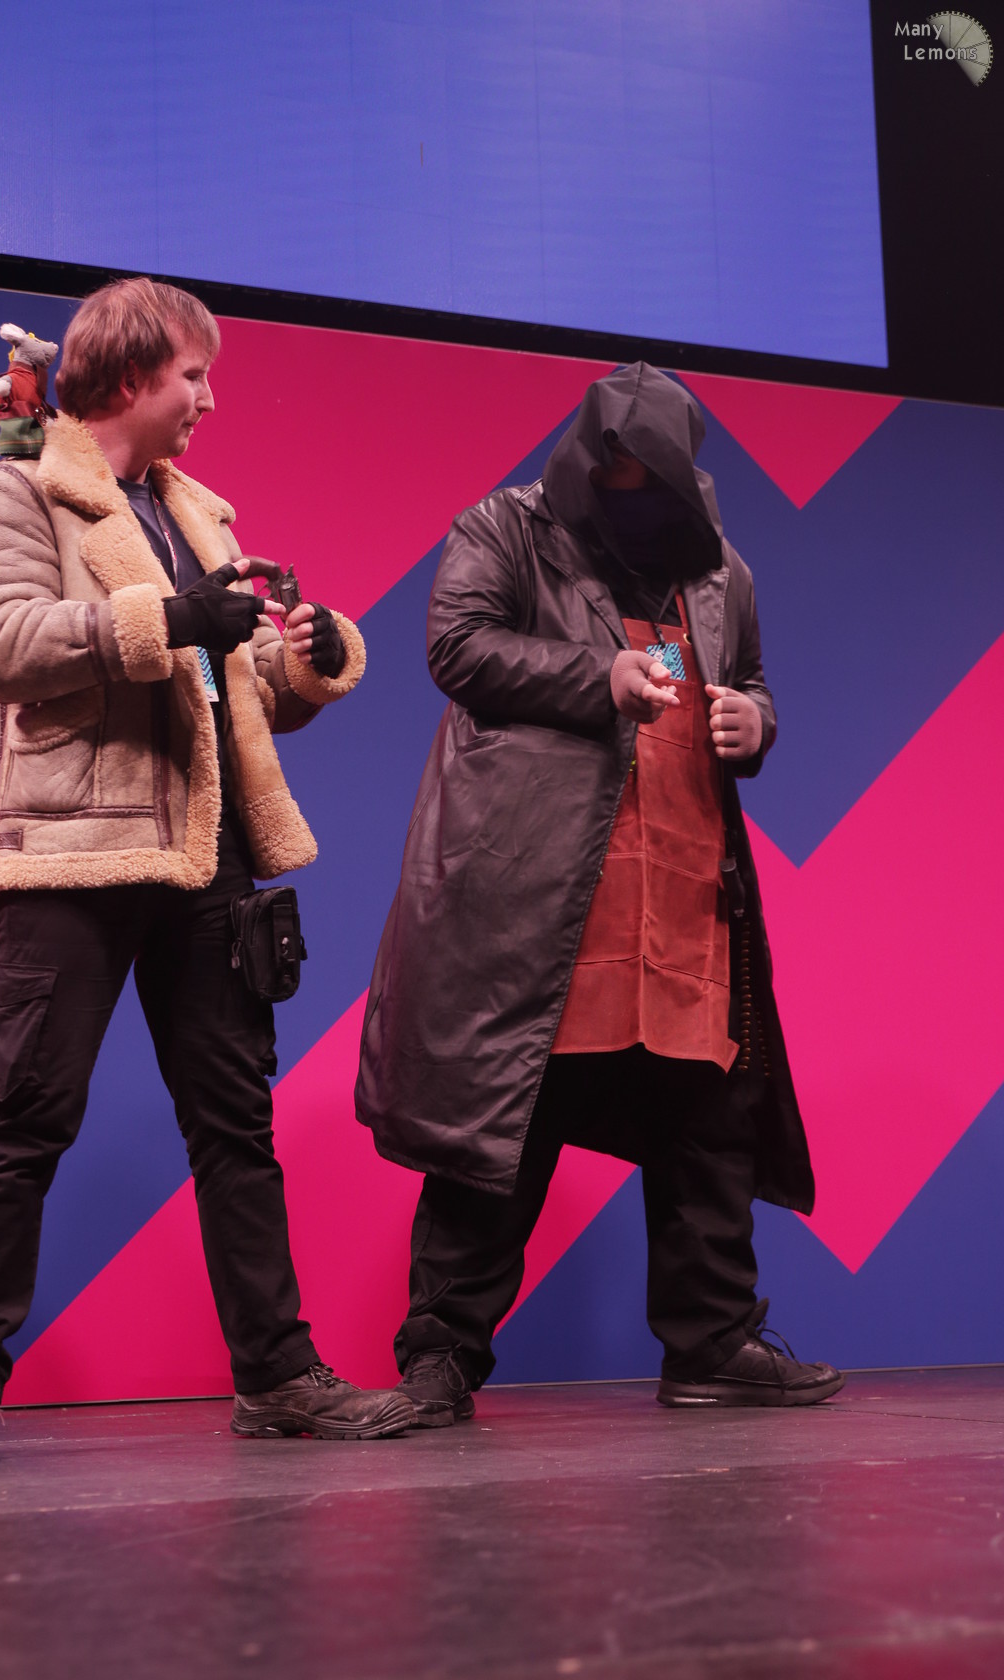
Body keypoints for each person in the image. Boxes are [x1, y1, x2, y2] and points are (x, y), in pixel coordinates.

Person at [0, 278, 413, 1463]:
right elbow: (0, 644)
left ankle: (278, 1376)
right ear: (131, 375)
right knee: (26, 1119)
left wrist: (306, 659)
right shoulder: (22, 490)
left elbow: (234, 690)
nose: (208, 399)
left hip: (204, 856)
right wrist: (167, 620)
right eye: (193, 375)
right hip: (72, 858)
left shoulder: (196, 514)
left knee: (237, 1127)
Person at [356, 362, 844, 1425]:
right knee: (506, 1121)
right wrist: (598, 676)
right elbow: (456, 645)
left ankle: (712, 1346)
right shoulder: (506, 528)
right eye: (612, 479)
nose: (628, 500)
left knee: (706, 1123)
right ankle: (442, 1357)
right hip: (540, 894)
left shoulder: (720, 571)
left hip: (684, 887)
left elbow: (752, 680)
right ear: (583, 462)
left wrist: (754, 723)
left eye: (648, 484)